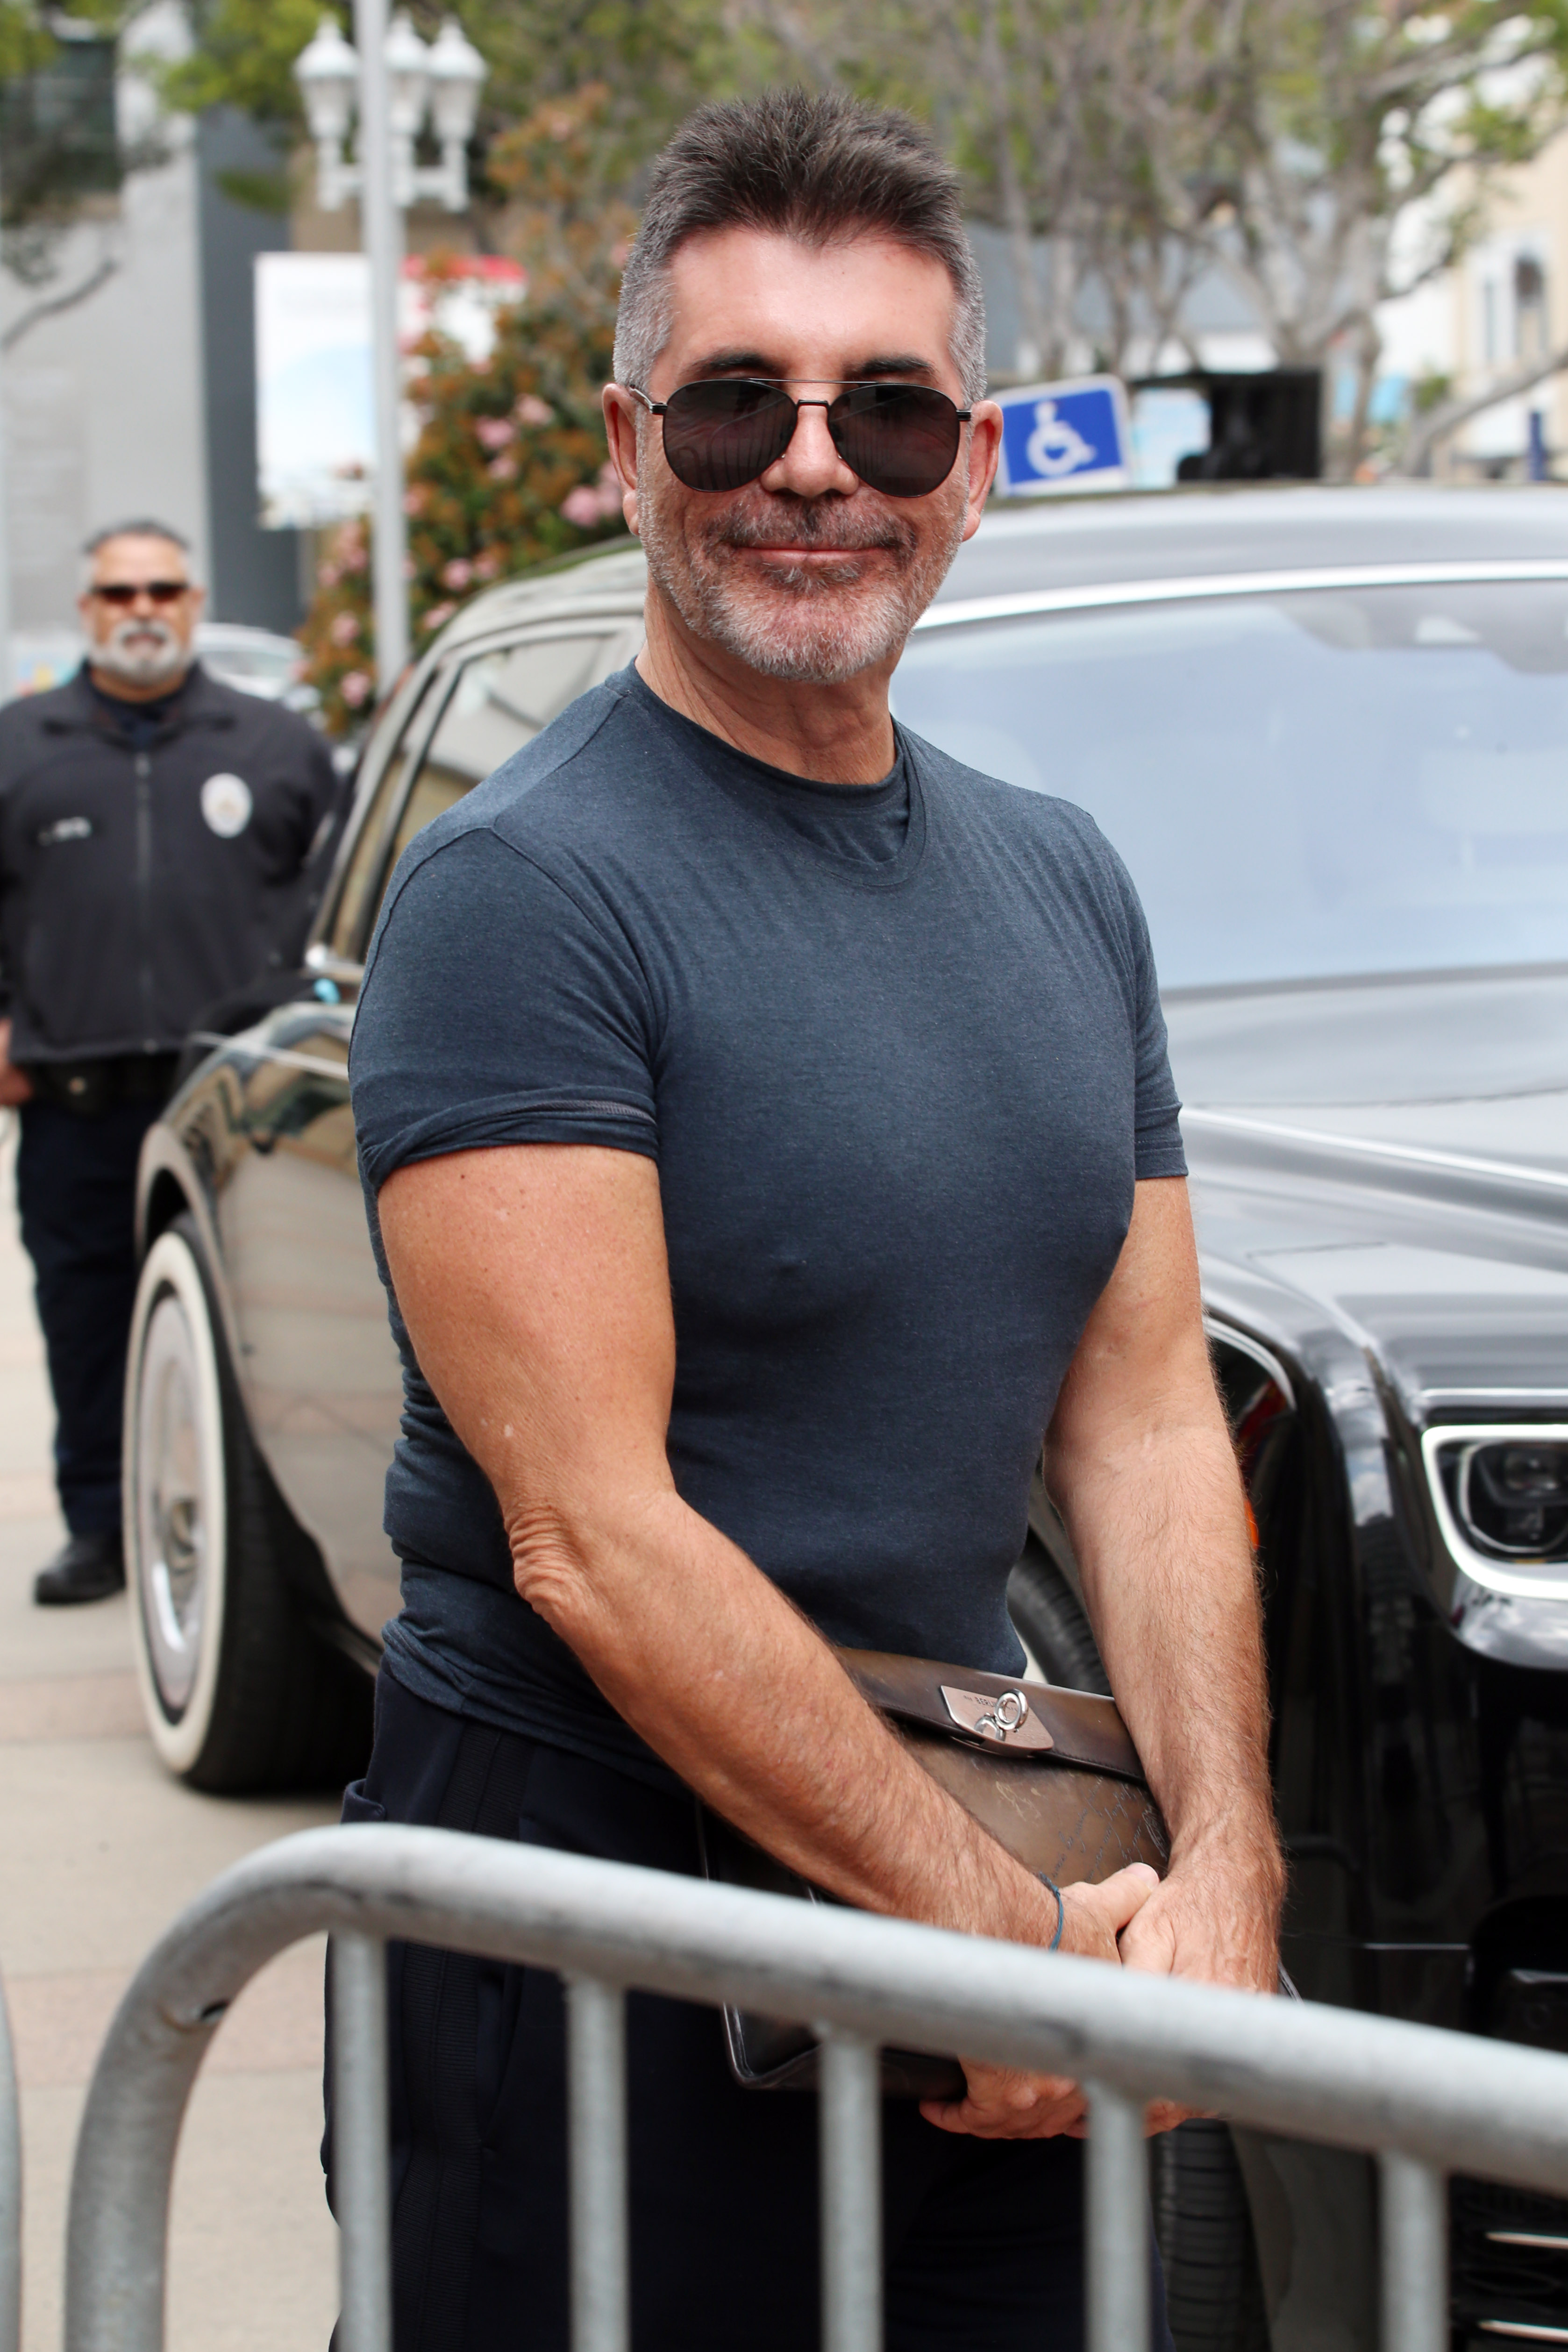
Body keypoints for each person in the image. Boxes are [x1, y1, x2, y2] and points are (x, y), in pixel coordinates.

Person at [344, 89, 1284, 2351]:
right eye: (735, 403)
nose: (810, 466)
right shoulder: (523, 896)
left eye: (880, 407)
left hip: (968, 1898)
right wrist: (993, 1942)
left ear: (965, 458)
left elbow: (1141, 1418)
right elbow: (591, 1532)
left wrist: (1228, 1857)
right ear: (624, 441)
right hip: (604, 1930)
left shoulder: (1060, 877)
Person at [0, 521, 341, 1605]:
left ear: (194, 604)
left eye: (162, 588)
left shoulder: (275, 746)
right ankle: (100, 1528)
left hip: (232, 1100)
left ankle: (256, 1544)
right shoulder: (19, 747)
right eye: (118, 593)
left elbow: (332, 908)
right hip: (75, 1102)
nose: (141, 607)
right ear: (88, 611)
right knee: (89, 1330)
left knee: (254, 1330)